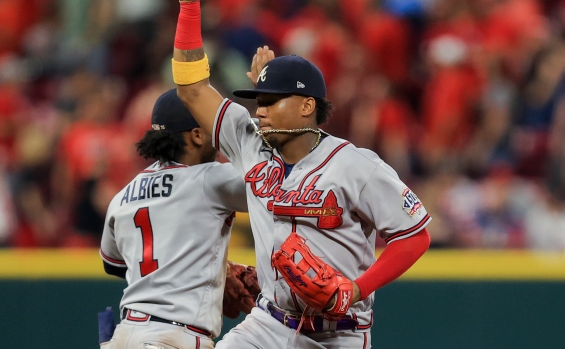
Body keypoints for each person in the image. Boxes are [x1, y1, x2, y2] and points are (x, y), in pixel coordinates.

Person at [171, 1, 432, 348]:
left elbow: (414, 236)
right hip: (267, 324)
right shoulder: (250, 145)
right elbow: (192, 89)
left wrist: (357, 289)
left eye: (272, 101)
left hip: (339, 334)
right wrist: (189, 8)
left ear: (307, 106)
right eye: (259, 101)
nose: (260, 111)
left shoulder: (355, 166)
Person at [99, 88, 258, 349]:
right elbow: (274, 186)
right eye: (213, 127)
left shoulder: (123, 195)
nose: (219, 136)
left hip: (125, 334)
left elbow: (114, 265)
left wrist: (206, 264)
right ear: (197, 135)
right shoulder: (211, 178)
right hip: (174, 337)